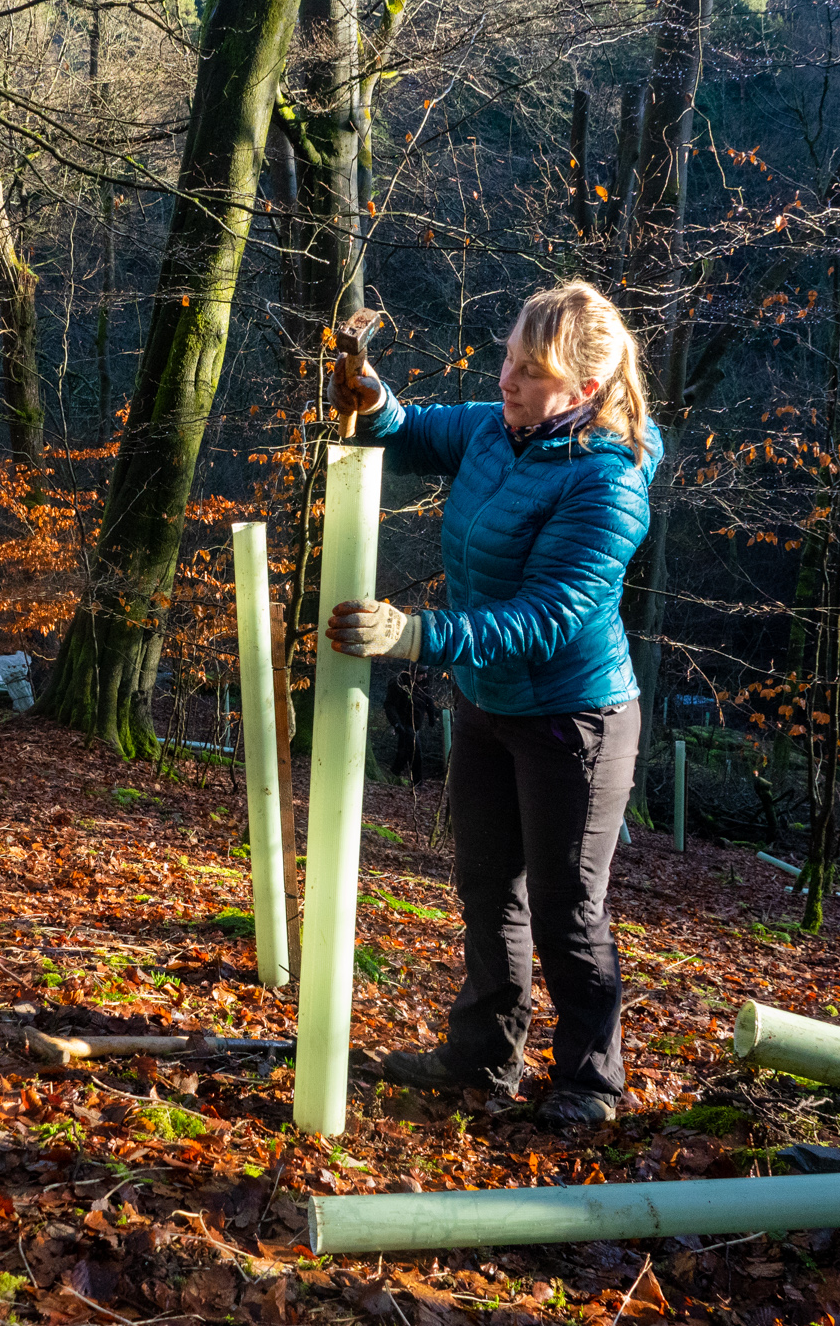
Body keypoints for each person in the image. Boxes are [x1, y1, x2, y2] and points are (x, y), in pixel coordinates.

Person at [323, 280, 659, 1130]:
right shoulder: (490, 427)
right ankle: (482, 1055)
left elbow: (547, 618)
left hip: (574, 720)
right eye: (507, 358)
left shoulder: (608, 482)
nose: (506, 378)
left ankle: (591, 1079)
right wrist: (376, 395)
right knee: (485, 887)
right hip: (488, 704)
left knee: (565, 904)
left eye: (529, 371)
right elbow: (406, 429)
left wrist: (414, 636)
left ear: (582, 392)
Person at [384, 664, 439, 784]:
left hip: (416, 723)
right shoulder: (399, 683)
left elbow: (428, 699)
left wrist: (431, 716)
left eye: (425, 673)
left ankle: (394, 774)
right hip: (404, 722)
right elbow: (389, 705)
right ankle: (418, 782)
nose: (424, 676)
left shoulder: (423, 682)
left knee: (403, 752)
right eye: (421, 673)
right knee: (416, 752)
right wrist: (396, 724)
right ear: (412, 671)